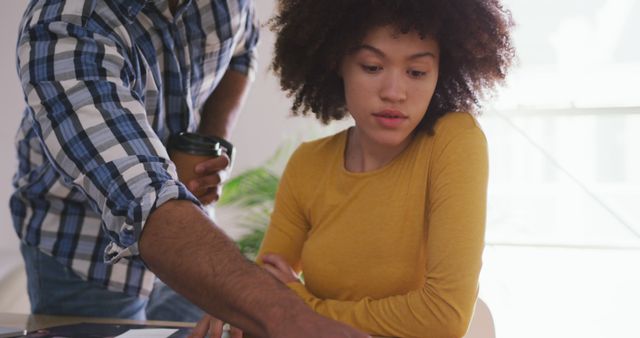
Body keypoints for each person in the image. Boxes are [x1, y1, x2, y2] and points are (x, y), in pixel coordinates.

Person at [10, 0, 369, 337]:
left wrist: (211, 143)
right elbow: (148, 203)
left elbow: (241, 51)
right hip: (83, 250)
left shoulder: (224, 5)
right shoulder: (65, 25)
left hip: (190, 237)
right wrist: (291, 317)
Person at [195, 0, 515, 337]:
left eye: (417, 72)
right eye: (372, 66)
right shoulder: (309, 163)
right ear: (337, 62)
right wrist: (236, 313)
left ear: (441, 72)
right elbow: (265, 295)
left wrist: (304, 309)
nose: (394, 92)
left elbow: (443, 316)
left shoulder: (453, 140)